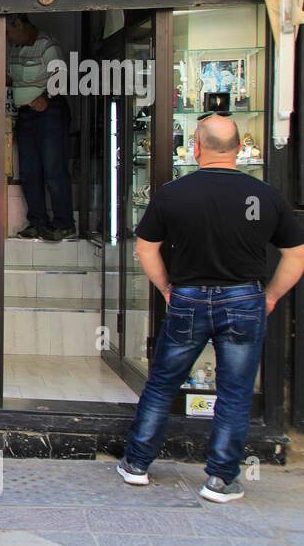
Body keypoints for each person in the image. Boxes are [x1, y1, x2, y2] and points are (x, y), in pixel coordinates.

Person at [118, 114, 304, 503]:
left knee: (163, 382)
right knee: (235, 392)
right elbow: (295, 255)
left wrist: (168, 287)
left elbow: (144, 248)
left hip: (188, 296)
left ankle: (136, 464)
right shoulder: (266, 195)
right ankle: (220, 479)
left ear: (197, 148)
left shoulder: (173, 193)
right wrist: (269, 297)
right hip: (244, 299)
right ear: (239, 149)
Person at [7, 13, 74, 242]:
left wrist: (46, 96)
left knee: (54, 170)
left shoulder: (47, 46)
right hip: (26, 115)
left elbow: (63, 77)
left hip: (49, 112)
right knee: (29, 171)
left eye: (8, 31)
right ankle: (37, 222)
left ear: (19, 24)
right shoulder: (16, 48)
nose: (6, 37)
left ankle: (64, 224)